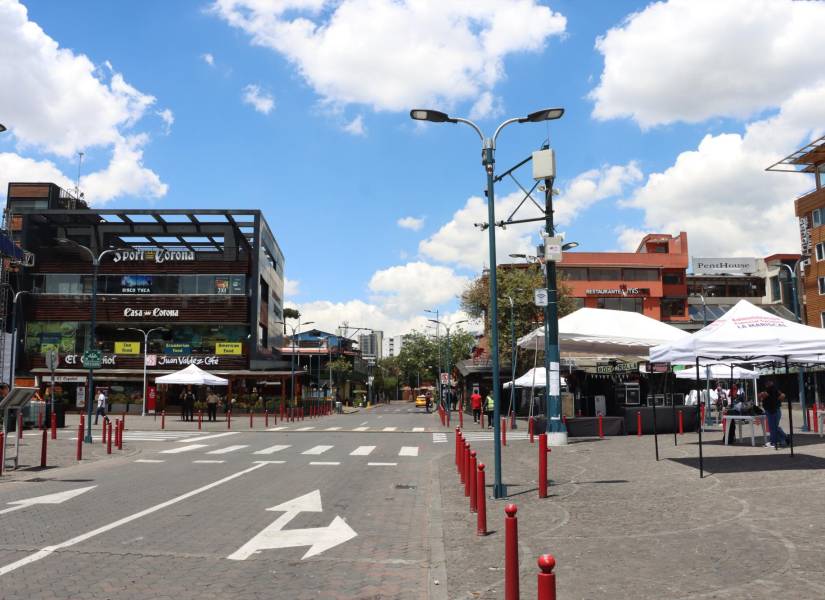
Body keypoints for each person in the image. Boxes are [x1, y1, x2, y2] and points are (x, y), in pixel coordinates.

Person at [759, 379, 789, 448]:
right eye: (766, 382)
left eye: (768, 382)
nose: (767, 384)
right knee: (774, 427)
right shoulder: (769, 389)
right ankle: (784, 438)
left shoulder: (773, 389)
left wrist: (776, 400)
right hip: (771, 410)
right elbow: (762, 396)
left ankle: (773, 442)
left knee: (773, 427)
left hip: (773, 410)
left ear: (771, 383)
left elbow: (783, 395)